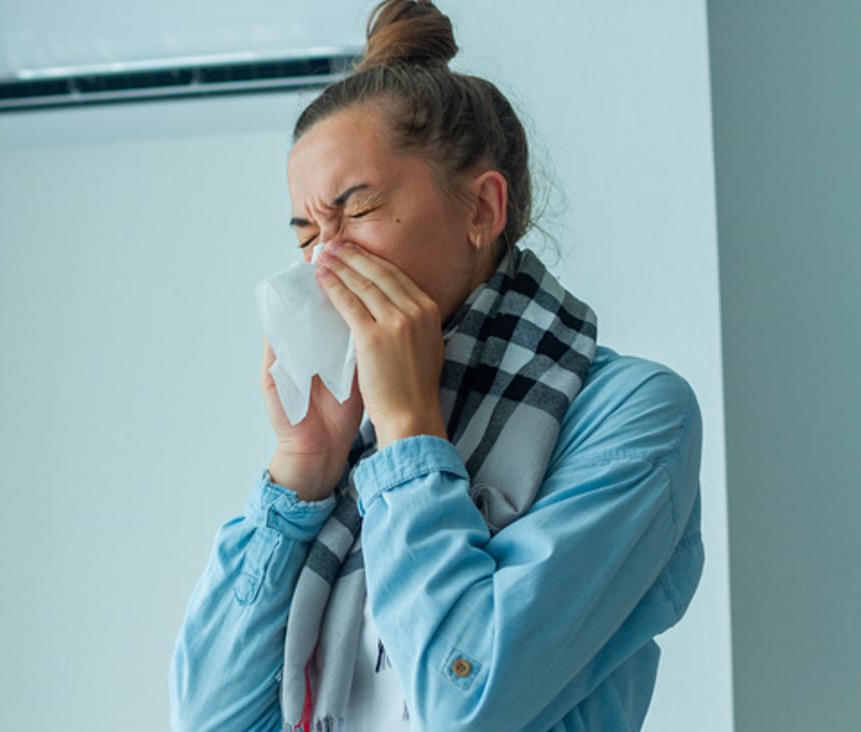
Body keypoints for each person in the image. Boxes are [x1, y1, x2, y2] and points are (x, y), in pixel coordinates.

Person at [169, 1, 704, 731]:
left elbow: (467, 704)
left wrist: (412, 433)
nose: (325, 260)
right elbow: (211, 720)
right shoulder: (348, 454)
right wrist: (304, 464)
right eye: (306, 233)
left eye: (356, 212)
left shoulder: (631, 416)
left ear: (480, 209)